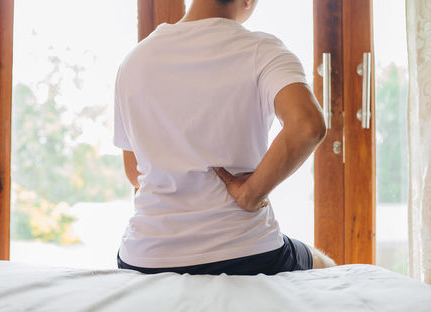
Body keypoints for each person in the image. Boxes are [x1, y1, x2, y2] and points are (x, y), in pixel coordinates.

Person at [113, 0, 336, 275]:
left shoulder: (134, 61)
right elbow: (307, 125)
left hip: (144, 257)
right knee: (329, 268)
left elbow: (135, 173)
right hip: (245, 252)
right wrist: (250, 194)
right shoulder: (263, 50)